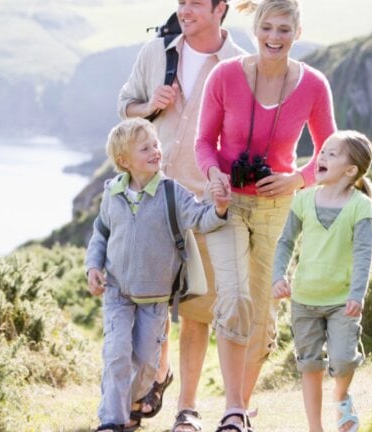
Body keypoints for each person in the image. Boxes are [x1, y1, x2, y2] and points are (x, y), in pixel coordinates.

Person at [194, 0, 336, 429]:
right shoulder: (225, 76)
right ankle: (234, 408)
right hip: (228, 204)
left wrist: (296, 179)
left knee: (262, 313)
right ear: (255, 28)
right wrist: (215, 174)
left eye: (284, 30)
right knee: (234, 298)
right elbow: (204, 142)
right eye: (267, 28)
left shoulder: (313, 85)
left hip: (279, 207)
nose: (275, 37)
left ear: (297, 32)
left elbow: (331, 153)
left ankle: (238, 409)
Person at [116, 1, 245, 430]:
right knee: (148, 301)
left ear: (220, 7)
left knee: (196, 310)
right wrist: (148, 104)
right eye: (181, 2)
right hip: (149, 200)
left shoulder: (238, 66)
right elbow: (126, 107)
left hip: (200, 204)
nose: (184, 9)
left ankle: (185, 409)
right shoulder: (156, 52)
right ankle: (154, 377)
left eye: (194, 2)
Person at [86, 118, 230, 432]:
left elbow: (198, 217)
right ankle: (111, 419)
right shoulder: (113, 192)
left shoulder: (171, 192)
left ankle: (132, 403)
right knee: (116, 353)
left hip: (155, 298)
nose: (156, 150)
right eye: (145, 147)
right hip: (117, 293)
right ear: (124, 161)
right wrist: (93, 267)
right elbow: (101, 233)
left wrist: (218, 209)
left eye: (155, 144)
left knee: (146, 362)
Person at [272, 130, 372, 432]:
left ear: (351, 170)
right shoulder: (302, 199)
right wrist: (279, 275)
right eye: (323, 151)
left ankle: (341, 398)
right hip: (304, 300)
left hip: (343, 301)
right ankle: (315, 428)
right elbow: (285, 242)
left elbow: (363, 253)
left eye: (332, 153)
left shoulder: (360, 205)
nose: (322, 156)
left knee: (343, 361)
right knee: (309, 365)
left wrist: (358, 293)